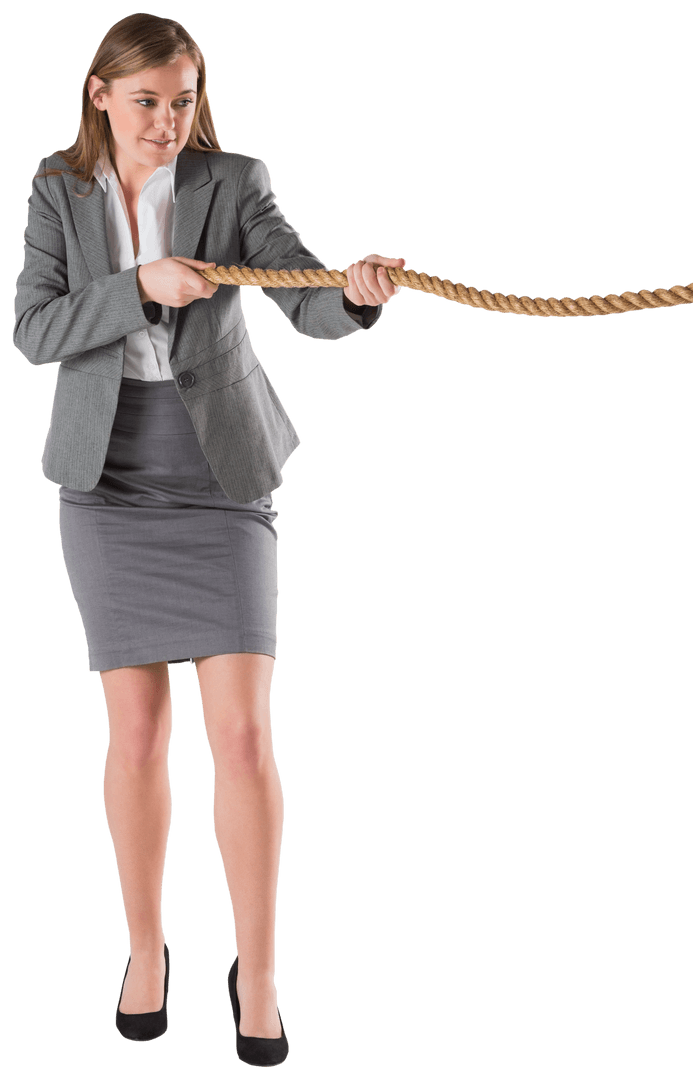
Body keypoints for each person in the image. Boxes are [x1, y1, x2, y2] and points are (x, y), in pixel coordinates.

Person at [12, 11, 405, 1066]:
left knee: (241, 734)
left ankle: (261, 969)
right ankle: (146, 953)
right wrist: (136, 286)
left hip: (219, 473)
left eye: (183, 100)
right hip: (104, 480)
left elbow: (301, 293)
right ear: (100, 94)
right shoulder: (58, 187)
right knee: (136, 733)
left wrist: (353, 296)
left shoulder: (234, 180)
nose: (169, 122)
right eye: (147, 101)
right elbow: (34, 331)